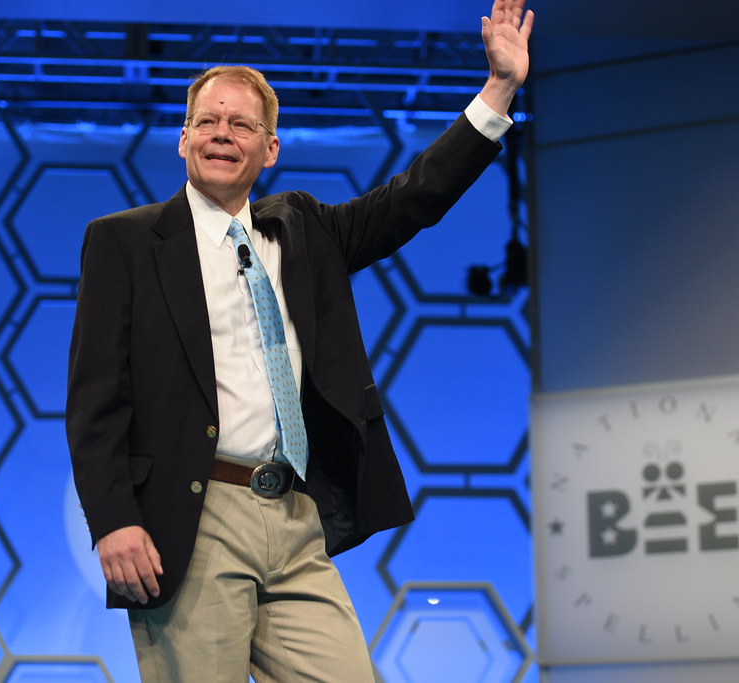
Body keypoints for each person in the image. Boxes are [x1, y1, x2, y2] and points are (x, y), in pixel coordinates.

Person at [65, 1, 533, 680]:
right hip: (194, 517)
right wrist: (112, 518)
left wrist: (499, 90)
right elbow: (95, 398)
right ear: (183, 138)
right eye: (208, 121)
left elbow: (414, 198)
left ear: (270, 148)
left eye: (241, 124)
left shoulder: (304, 230)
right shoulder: (126, 241)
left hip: (294, 514)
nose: (222, 134)